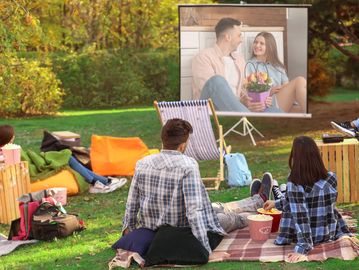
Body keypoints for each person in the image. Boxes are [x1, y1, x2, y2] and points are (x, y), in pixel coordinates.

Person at [122, 118, 274, 257]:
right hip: (183, 230)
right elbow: (194, 211)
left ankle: (259, 201)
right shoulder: (187, 165)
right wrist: (206, 250)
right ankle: (266, 215)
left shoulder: (143, 163)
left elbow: (132, 202)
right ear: (183, 145)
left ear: (163, 139)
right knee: (227, 218)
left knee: (217, 207)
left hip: (152, 226)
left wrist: (128, 229)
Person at [263, 136, 352, 263]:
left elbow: (301, 217)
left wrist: (302, 248)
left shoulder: (295, 182)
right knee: (291, 198)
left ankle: (277, 190)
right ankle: (279, 193)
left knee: (291, 198)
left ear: (295, 157)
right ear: (316, 155)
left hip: (309, 236)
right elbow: (322, 206)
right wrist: (275, 204)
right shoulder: (331, 178)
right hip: (328, 233)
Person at [0, 124, 126, 194]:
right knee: (67, 157)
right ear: (10, 138)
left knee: (66, 157)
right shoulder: (8, 151)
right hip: (33, 168)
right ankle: (100, 182)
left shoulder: (7, 148)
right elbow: (21, 161)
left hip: (34, 160)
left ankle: (103, 182)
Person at [192, 18, 281, 113]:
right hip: (215, 111)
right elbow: (212, 92)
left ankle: (249, 120)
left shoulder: (239, 59)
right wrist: (241, 103)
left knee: (275, 111)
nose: (241, 40)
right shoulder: (203, 57)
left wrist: (253, 101)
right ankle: (249, 121)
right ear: (228, 37)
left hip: (239, 110)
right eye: (239, 35)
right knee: (216, 81)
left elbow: (244, 92)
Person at [246, 32, 307, 113]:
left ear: (270, 47)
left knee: (301, 111)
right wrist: (269, 91)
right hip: (267, 103)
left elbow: (287, 86)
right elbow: (249, 91)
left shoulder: (278, 66)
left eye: (262, 43)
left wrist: (282, 88)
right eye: (256, 42)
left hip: (283, 101)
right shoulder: (249, 65)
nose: (257, 45)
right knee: (300, 80)